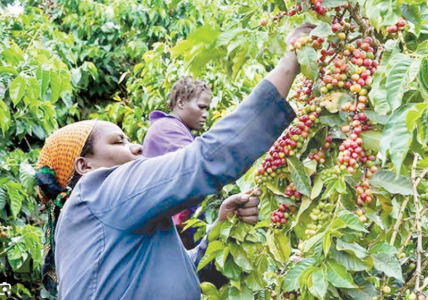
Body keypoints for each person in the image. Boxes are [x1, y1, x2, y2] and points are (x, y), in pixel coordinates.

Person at [35, 24, 313, 300]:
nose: (137, 146)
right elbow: (203, 161)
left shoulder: (100, 222)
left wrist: (219, 226)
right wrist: (290, 62)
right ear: (85, 166)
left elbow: (183, 274)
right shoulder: (97, 192)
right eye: (118, 141)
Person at [142, 76, 212, 250]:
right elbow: (198, 164)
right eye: (201, 107)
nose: (205, 114)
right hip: (174, 232)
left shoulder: (178, 129)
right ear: (181, 102)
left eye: (208, 109)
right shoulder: (167, 128)